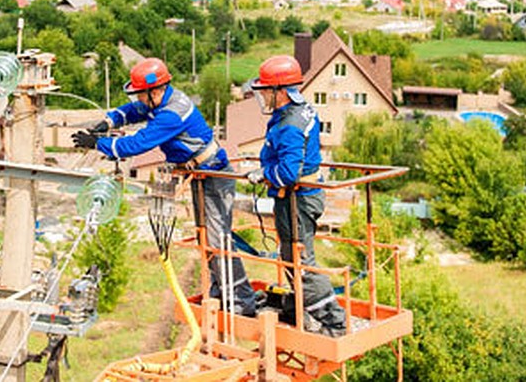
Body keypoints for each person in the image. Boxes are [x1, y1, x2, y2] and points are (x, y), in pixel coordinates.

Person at [72, 57, 257, 317]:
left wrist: (98, 144)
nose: (139, 100)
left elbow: (137, 144)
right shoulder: (160, 101)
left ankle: (241, 301)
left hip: (215, 175)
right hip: (203, 174)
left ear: (154, 91)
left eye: (141, 94)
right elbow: (133, 111)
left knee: (218, 240)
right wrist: (109, 122)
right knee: (208, 237)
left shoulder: (171, 113)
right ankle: (220, 291)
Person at [247, 54, 347, 336]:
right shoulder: (298, 112)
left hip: (297, 200)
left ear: (281, 92)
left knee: (300, 260)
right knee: (293, 255)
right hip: (301, 197)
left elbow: (289, 172)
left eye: (266, 90)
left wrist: (264, 175)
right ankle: (307, 307)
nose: (263, 96)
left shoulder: (290, 124)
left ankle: (332, 320)